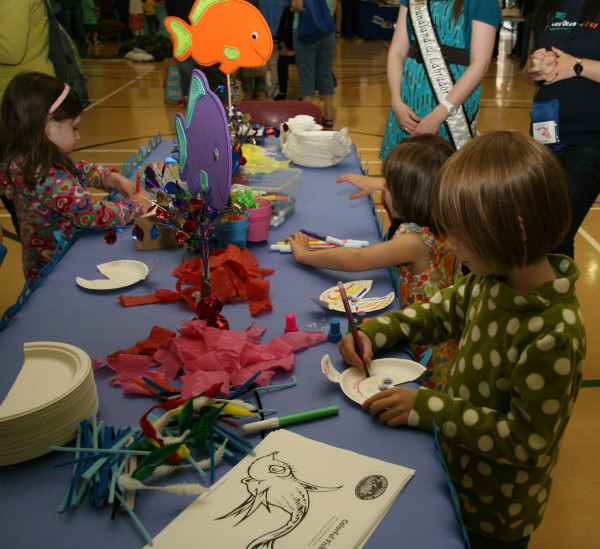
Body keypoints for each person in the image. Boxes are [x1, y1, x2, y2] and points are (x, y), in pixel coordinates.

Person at [339, 130, 585, 549]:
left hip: (495, 510)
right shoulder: (490, 280)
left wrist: (430, 407)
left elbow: (527, 442)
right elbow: (437, 312)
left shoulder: (554, 332)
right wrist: (374, 331)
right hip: (457, 468)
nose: (448, 243)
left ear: (515, 231)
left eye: (460, 233)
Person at [286, 135, 461, 390]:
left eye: (387, 187)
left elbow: (354, 259)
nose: (382, 189)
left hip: (424, 343)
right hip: (440, 334)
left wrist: (304, 255)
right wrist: (383, 185)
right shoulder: (445, 225)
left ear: (405, 197)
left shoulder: (414, 241)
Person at [0, 72, 152, 282]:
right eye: (74, 128)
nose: (78, 136)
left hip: (41, 266)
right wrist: (135, 206)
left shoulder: (22, 159)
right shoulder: (47, 176)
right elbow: (92, 215)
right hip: (59, 271)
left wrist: (110, 178)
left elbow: (75, 168)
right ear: (47, 124)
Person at [523, 0, 600, 259]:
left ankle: (554, 298)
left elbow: (573, 65)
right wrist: (537, 67)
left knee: (556, 236)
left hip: (589, 140)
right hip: (544, 134)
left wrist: (577, 66)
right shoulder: (548, 6)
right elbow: (528, 70)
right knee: (535, 233)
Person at [379, 0, 501, 158]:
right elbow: (397, 51)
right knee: (399, 171)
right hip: (407, 97)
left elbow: (480, 64)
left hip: (452, 98)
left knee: (444, 171)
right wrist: (396, 101)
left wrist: (439, 114)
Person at [290, 0, 337, 128]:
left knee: (307, 75)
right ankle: (328, 116)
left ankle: (308, 116)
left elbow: (298, 5)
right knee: (326, 74)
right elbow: (333, 7)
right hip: (326, 30)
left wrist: (292, 7)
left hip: (305, 31)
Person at [274, 1, 296, 101]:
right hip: (287, 49)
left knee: (305, 64)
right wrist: (282, 45)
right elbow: (281, 30)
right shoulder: (287, 11)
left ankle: (305, 93)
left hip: (302, 50)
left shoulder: (304, 12)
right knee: (282, 62)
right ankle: (282, 91)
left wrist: (295, 51)